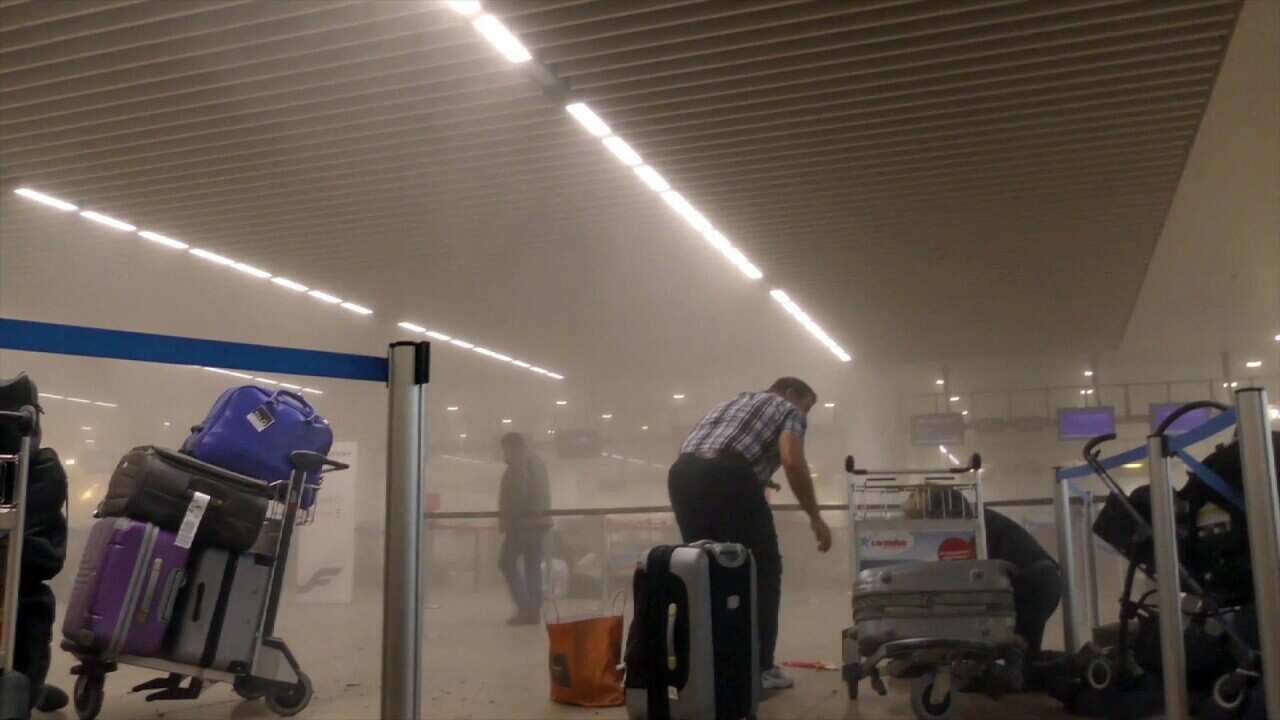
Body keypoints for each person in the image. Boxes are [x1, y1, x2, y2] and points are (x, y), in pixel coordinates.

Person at [668, 377, 833, 691]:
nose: (805, 415)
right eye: (807, 406)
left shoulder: (730, 402)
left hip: (682, 474)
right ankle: (760, 668)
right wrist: (815, 517)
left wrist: (753, 479)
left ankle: (710, 663)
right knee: (763, 570)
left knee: (705, 570)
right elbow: (791, 460)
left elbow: (705, 453)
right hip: (730, 474)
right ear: (791, 393)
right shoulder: (788, 409)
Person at [907, 487, 1061, 687]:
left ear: (937, 514)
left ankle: (1070, 670)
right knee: (1022, 665)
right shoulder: (979, 521)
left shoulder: (972, 530)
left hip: (1032, 587)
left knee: (1019, 670)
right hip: (1041, 582)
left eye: (921, 521)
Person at [497, 432, 552, 626]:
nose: (503, 452)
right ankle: (533, 611)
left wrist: (508, 520)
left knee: (506, 562)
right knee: (532, 567)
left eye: (504, 448)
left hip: (523, 524)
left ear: (511, 446)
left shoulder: (519, 462)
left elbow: (518, 494)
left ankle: (525, 607)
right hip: (539, 523)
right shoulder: (537, 461)